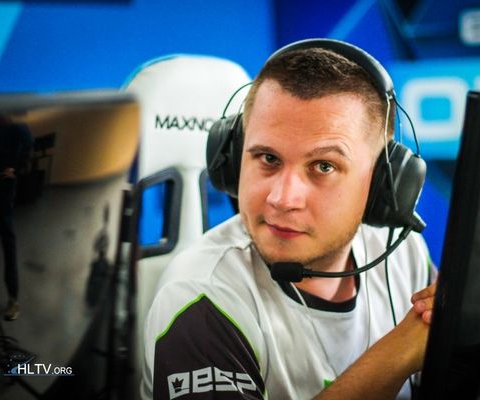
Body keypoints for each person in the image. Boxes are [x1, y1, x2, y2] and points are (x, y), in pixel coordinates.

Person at [142, 39, 436, 400]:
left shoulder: (404, 255)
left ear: (381, 185)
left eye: (323, 166)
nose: (282, 199)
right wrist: (397, 355)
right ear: (234, 160)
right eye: (268, 158)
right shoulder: (202, 296)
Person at [0, 115, 33, 321]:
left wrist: (16, 169)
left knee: (7, 244)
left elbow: (29, 147)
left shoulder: (19, 129)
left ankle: (13, 299)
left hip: (4, 193)